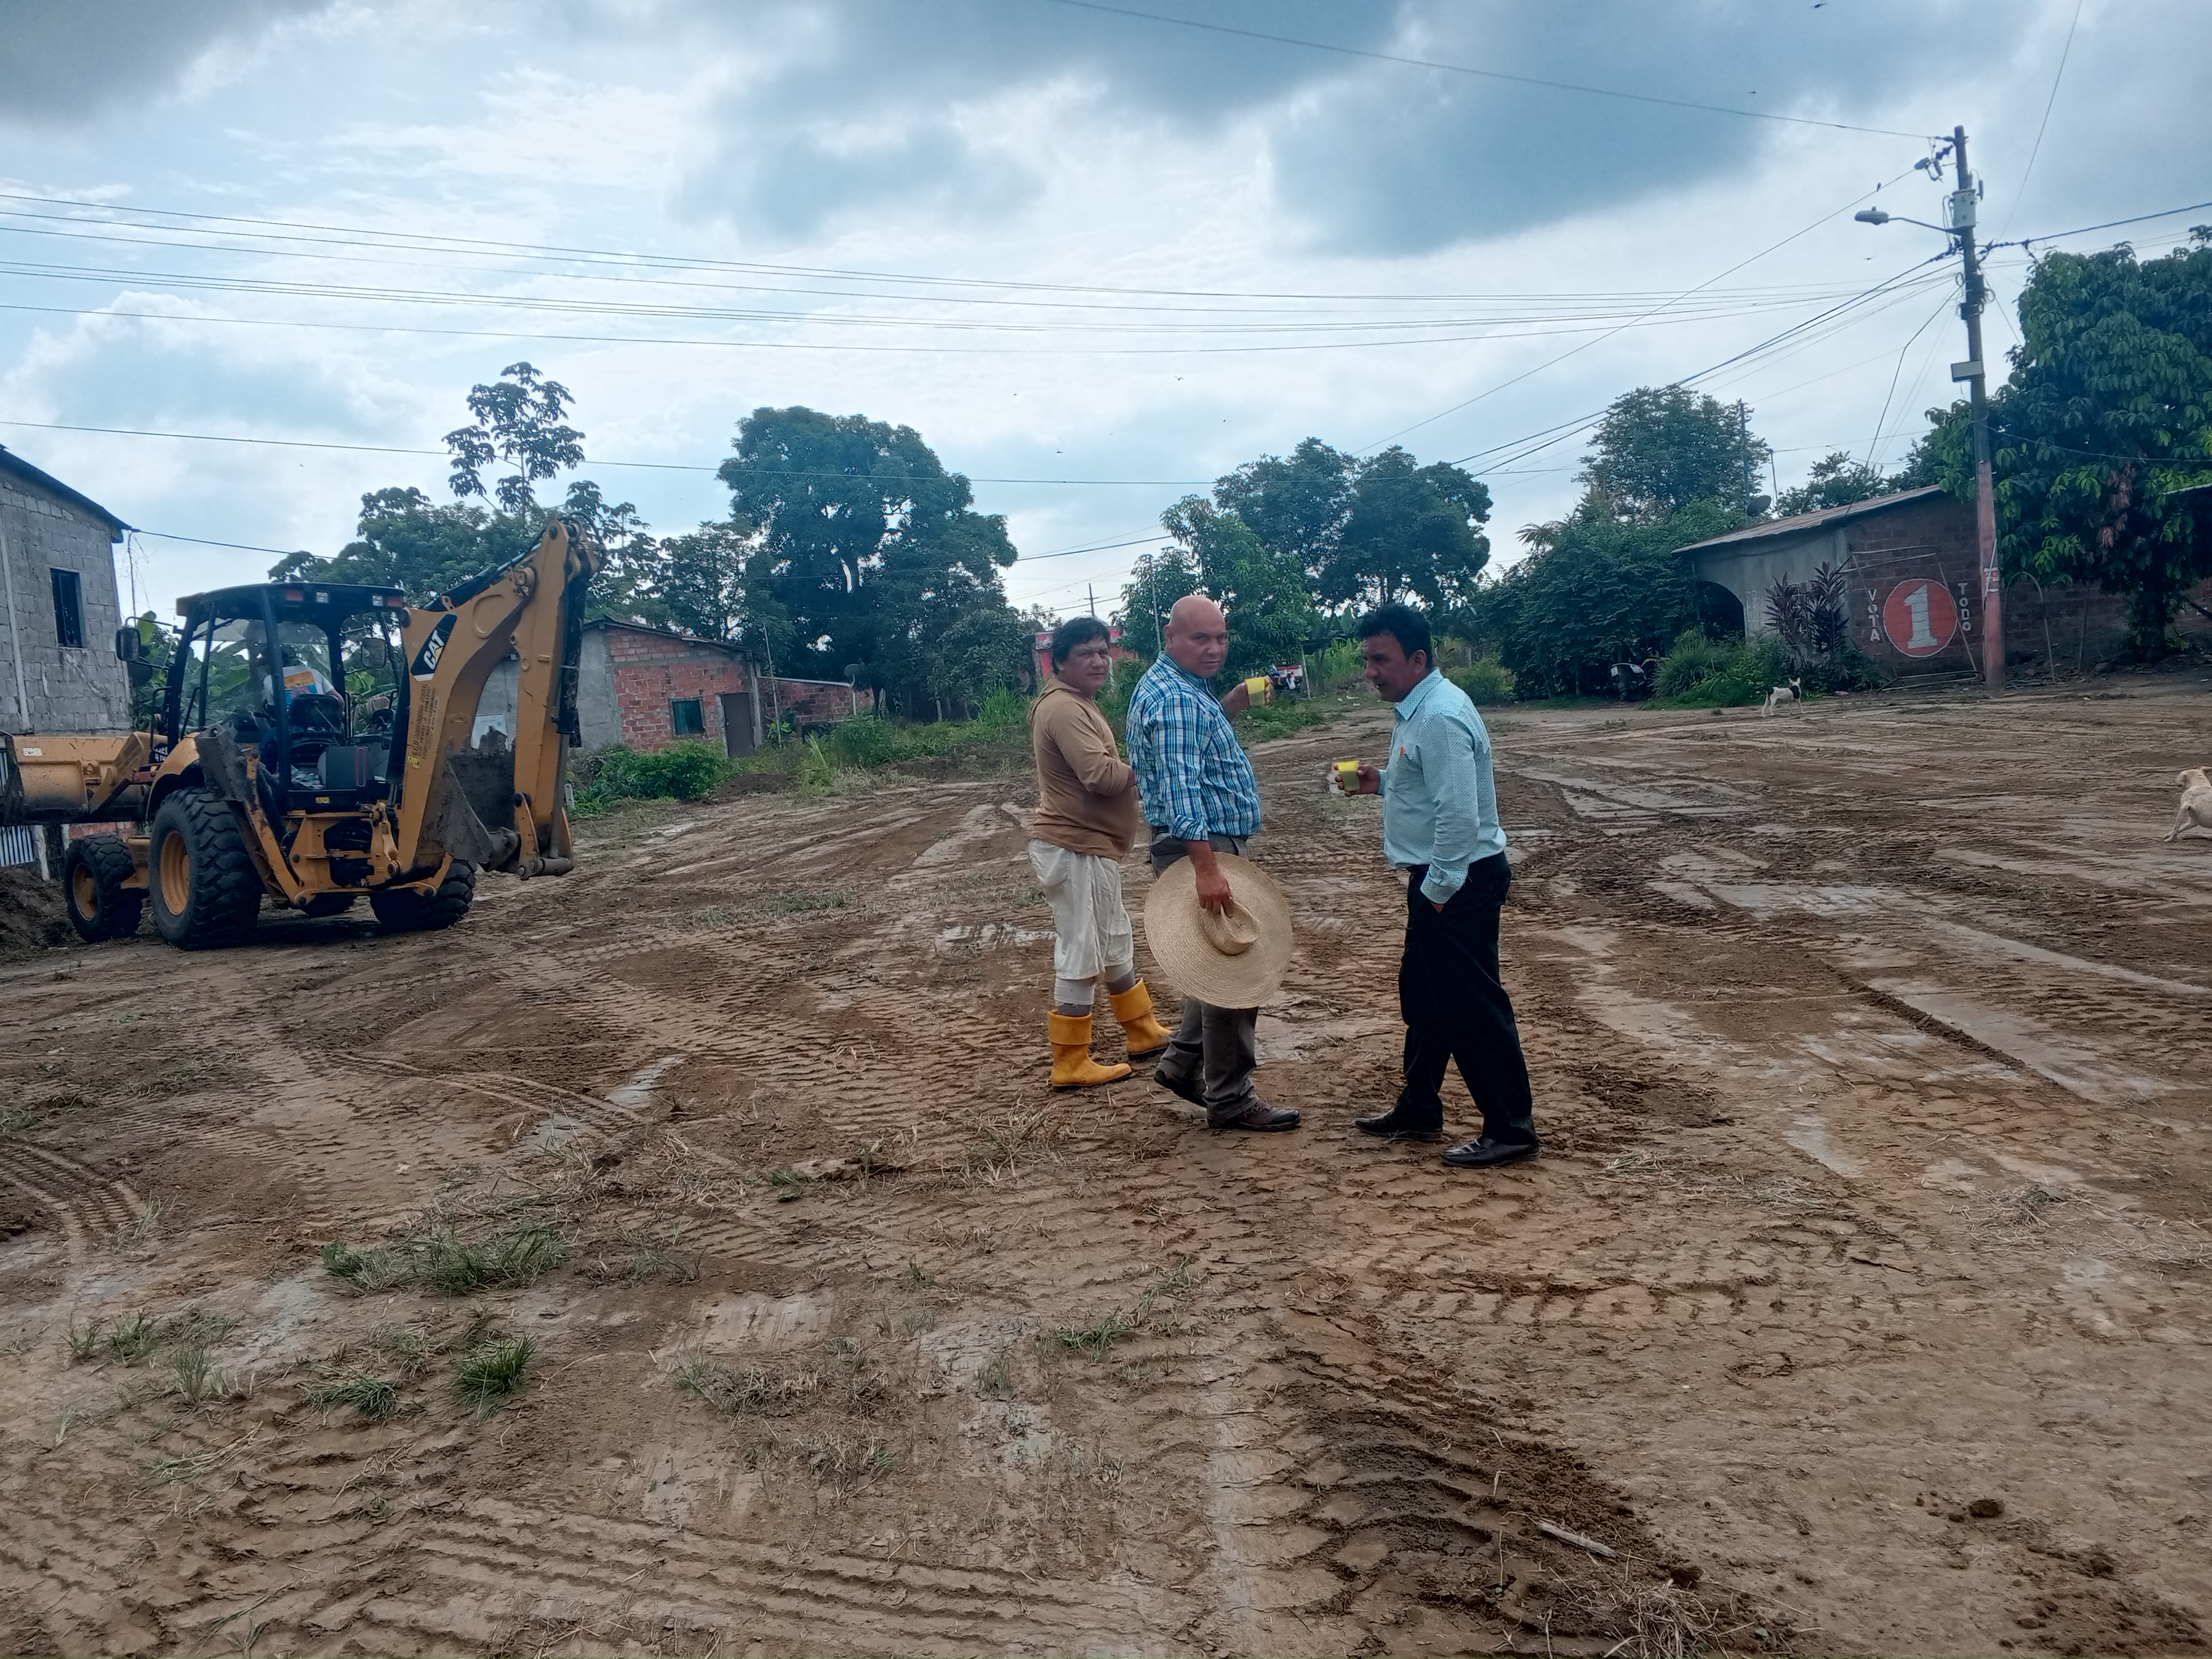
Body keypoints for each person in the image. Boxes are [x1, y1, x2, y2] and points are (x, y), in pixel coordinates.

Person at [1335, 603, 1537, 1169]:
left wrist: (1440, 891)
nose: (1370, 672)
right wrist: (1381, 782)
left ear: (1417, 659)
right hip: (1440, 878)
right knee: (1426, 998)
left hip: (1458, 880)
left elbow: (1459, 815)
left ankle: (1511, 1129)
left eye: (1380, 660)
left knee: (1473, 1006)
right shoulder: (1416, 710)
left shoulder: (1441, 716)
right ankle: (1419, 1106)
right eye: (1367, 660)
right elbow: (1426, 788)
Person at [1126, 594, 1300, 1133]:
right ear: (1170, 635)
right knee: (1237, 971)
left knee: (1217, 959)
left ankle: (1183, 1063)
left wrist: (1230, 704)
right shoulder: (1177, 698)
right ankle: (1230, 1097)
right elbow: (1182, 791)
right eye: (1201, 638)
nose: (1214, 648)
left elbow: (1193, 747)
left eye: (1221, 638)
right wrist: (1206, 868)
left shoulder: (1178, 688)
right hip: (1202, 846)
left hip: (1201, 844)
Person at [1029, 616, 1173, 1088]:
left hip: (1090, 847)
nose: (1099, 661)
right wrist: (1153, 766)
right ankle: (1070, 1062)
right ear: (1060, 662)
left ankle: (1142, 1031)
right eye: (1086, 653)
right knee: (1083, 950)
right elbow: (1101, 776)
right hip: (1074, 846)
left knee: (1113, 941)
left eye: (1103, 651)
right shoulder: (1064, 709)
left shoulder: (1076, 703)